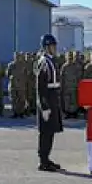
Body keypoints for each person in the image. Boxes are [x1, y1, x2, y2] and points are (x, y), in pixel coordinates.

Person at [35, 33, 64, 172]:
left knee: (50, 131)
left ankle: (47, 158)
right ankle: (43, 160)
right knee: (45, 132)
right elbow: (40, 88)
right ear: (46, 47)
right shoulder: (43, 62)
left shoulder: (51, 61)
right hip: (47, 100)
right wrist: (44, 107)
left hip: (53, 98)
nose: (54, 48)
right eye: (52, 46)